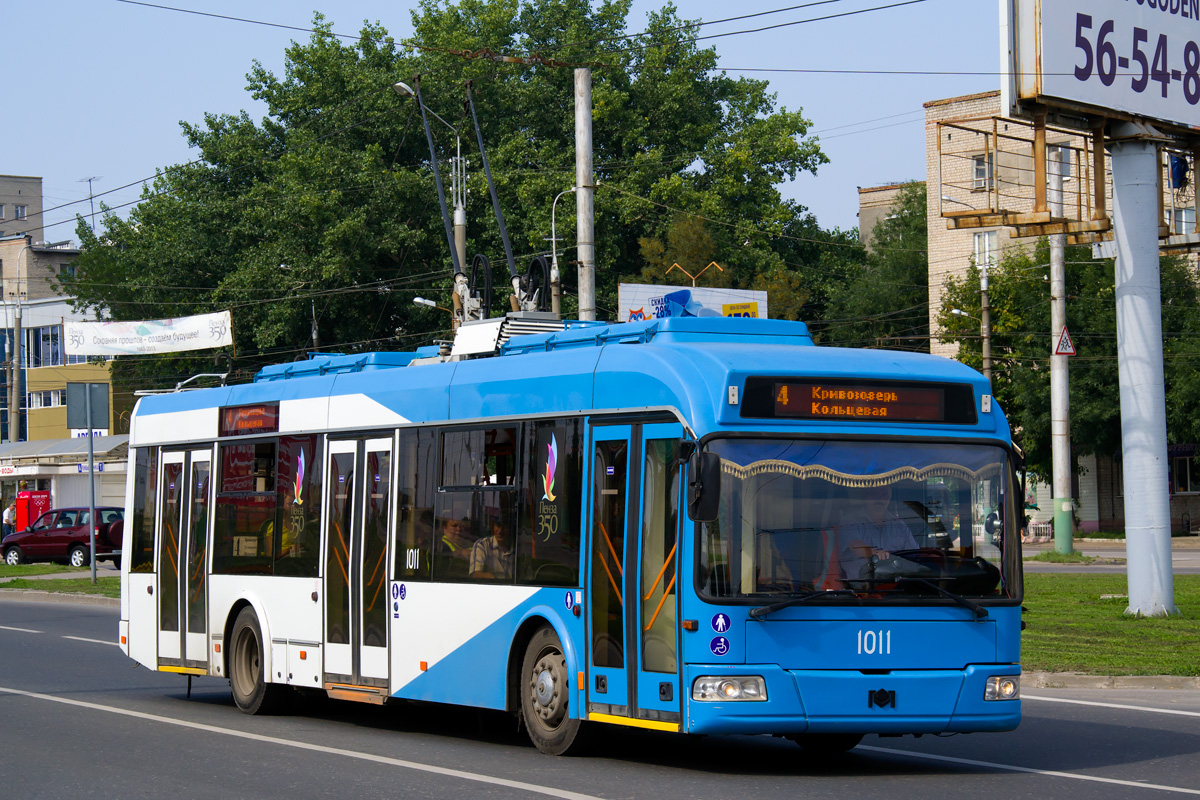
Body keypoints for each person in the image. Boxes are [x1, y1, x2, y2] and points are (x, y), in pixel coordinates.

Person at [836, 483, 918, 580]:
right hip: (860, 587)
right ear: (865, 496)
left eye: (884, 495)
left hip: (896, 586)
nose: (880, 499)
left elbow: (914, 554)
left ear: (889, 498)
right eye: (875, 494)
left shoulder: (899, 525)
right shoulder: (850, 522)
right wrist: (874, 554)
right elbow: (855, 545)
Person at [469, 515, 513, 580]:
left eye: (504, 526)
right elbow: (475, 574)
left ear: (511, 528)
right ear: (493, 526)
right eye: (498, 525)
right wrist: (491, 577)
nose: (500, 530)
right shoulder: (482, 545)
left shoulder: (518, 548)